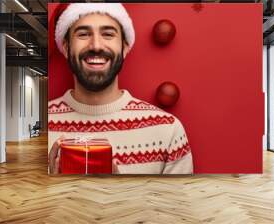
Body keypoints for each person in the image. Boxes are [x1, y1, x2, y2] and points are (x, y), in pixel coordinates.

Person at [48, 3, 193, 174]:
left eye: (108, 34)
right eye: (83, 34)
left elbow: (179, 201)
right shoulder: (44, 128)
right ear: (65, 47)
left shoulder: (168, 130)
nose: (96, 45)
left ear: (124, 47)